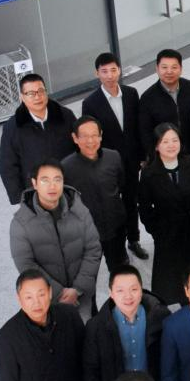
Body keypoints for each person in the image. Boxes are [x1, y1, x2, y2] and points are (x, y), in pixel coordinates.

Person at [137, 123, 190, 306]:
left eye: (175, 140)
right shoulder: (149, 173)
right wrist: (157, 231)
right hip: (169, 236)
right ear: (156, 146)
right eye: (165, 141)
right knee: (178, 285)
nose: (171, 145)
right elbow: (144, 208)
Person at [9, 159, 102, 320]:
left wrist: (77, 289)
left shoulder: (79, 210)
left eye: (57, 179)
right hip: (49, 299)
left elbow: (93, 249)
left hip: (83, 294)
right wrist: (59, 293)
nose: (52, 186)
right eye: (45, 180)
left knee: (89, 329)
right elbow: (26, 264)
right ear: (34, 183)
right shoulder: (21, 222)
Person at [83, 264, 170, 381]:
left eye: (133, 289)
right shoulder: (96, 326)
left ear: (141, 290)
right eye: (120, 291)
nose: (128, 296)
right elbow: (91, 367)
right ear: (111, 293)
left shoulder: (160, 317)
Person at [81, 52, 146, 259]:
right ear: (97, 73)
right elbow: (90, 136)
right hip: (106, 163)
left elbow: (138, 128)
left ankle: (134, 240)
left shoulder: (131, 94)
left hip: (132, 160)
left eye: (113, 70)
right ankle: (118, 246)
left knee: (131, 201)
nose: (109, 75)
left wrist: (143, 156)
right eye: (104, 71)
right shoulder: (90, 103)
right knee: (112, 205)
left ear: (119, 70)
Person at [61, 116, 127, 273]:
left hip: (115, 226)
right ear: (75, 138)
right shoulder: (66, 167)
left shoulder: (114, 157)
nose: (90, 141)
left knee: (119, 268)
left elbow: (120, 185)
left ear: (101, 135)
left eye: (94, 135)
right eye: (84, 136)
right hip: (86, 232)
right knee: (87, 274)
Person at [0, 72, 75, 204]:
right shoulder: (12, 127)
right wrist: (20, 199)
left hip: (68, 185)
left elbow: (79, 146)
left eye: (40, 91)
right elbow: (8, 166)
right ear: (22, 97)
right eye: (31, 93)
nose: (37, 97)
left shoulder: (65, 115)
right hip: (36, 193)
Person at [138, 48, 190, 166]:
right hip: (164, 157)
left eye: (174, 67)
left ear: (181, 69)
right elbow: (145, 132)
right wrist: (152, 156)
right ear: (157, 69)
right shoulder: (148, 97)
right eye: (164, 67)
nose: (169, 71)